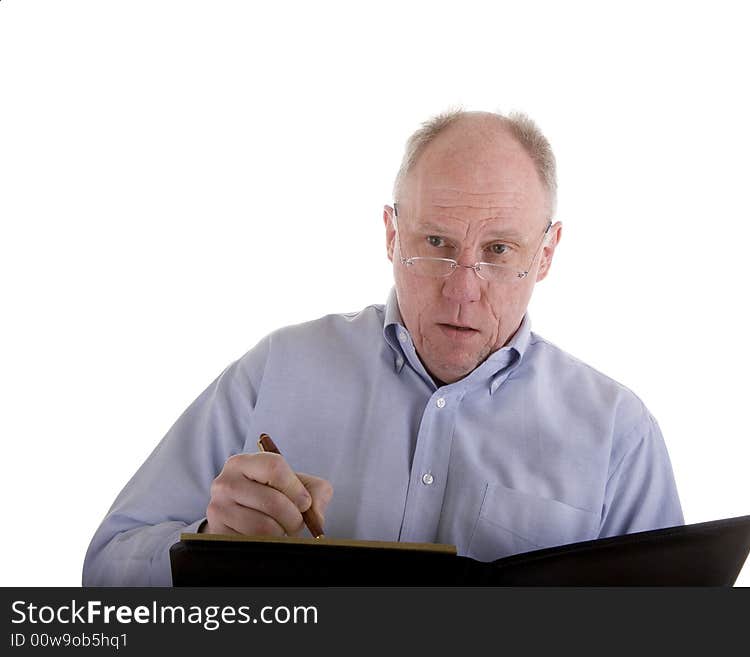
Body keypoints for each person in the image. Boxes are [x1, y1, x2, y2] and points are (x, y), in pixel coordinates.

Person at [83, 109, 683, 586]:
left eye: (499, 251)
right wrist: (208, 542)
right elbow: (105, 568)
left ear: (545, 254)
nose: (461, 289)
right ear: (392, 235)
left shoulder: (618, 433)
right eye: (436, 241)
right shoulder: (277, 371)